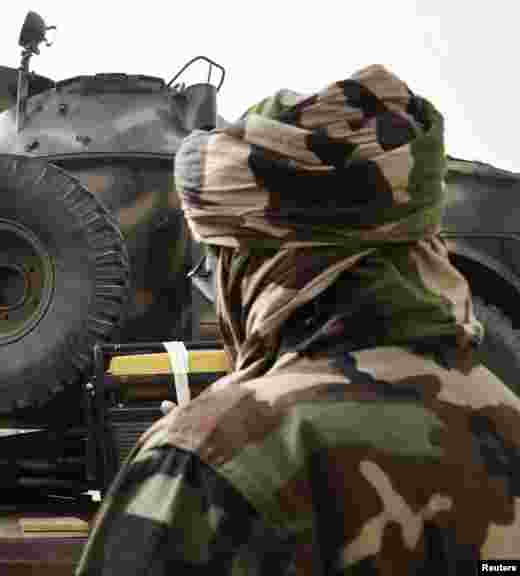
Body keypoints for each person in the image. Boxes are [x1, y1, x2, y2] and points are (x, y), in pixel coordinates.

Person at [77, 65, 520, 573]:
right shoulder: (507, 422)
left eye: (217, 260)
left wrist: (191, 455)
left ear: (256, 266)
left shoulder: (215, 458)